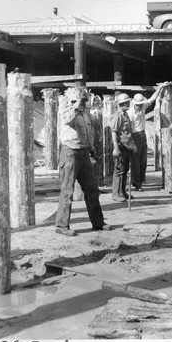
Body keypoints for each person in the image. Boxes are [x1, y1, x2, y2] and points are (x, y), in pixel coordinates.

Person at [55, 87, 111, 236]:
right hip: (69, 153)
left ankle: (98, 223)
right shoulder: (66, 111)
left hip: (83, 152)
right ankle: (61, 226)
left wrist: (92, 149)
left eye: (85, 100)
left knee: (92, 190)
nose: (84, 103)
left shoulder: (85, 115)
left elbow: (87, 134)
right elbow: (67, 120)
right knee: (67, 191)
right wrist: (75, 104)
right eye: (82, 100)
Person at [127, 84, 168, 191]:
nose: (140, 106)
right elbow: (128, 130)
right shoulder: (130, 113)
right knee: (135, 162)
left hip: (142, 135)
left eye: (141, 104)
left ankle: (140, 179)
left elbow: (152, 98)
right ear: (134, 104)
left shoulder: (143, 106)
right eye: (138, 105)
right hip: (134, 136)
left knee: (143, 161)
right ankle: (136, 183)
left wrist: (160, 88)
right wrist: (132, 143)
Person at [111, 93, 137, 202]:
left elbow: (128, 132)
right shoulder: (118, 116)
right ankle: (116, 194)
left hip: (126, 146)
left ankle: (122, 192)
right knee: (119, 170)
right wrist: (116, 148)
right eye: (127, 102)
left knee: (125, 169)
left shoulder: (125, 115)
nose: (129, 104)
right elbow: (114, 132)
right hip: (121, 146)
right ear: (123, 103)